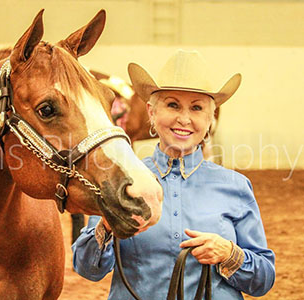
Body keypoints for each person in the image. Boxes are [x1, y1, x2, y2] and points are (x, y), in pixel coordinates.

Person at [72, 50, 275, 299]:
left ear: (211, 118)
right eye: (172, 105)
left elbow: (263, 280)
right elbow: (87, 269)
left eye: (197, 108)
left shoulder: (236, 186)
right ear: (151, 112)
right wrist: (107, 224)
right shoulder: (119, 180)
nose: (184, 119)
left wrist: (229, 254)